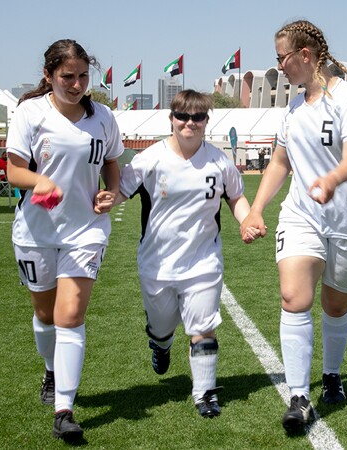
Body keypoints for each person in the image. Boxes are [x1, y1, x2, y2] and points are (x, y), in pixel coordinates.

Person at [240, 20, 347, 433]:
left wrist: (332, 180)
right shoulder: (293, 107)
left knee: (335, 305)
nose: (280, 66)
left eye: (282, 58)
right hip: (301, 215)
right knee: (292, 296)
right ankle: (298, 396)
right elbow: (280, 163)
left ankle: (332, 374)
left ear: (305, 56)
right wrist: (256, 209)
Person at [5, 39, 123, 443]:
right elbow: (14, 171)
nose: (76, 85)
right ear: (48, 76)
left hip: (86, 231)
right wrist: (39, 180)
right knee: (45, 314)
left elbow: (112, 163)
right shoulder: (29, 113)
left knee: (70, 315)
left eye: (83, 77)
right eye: (67, 77)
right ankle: (51, 370)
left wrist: (110, 191)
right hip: (36, 232)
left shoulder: (103, 117)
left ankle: (64, 409)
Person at [118, 89, 256, 419]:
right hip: (157, 264)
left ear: (207, 120)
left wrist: (247, 220)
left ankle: (205, 393)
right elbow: (119, 190)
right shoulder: (149, 159)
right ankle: (160, 344)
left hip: (203, 261)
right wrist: (105, 199)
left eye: (198, 117)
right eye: (182, 116)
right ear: (172, 118)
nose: (189, 123)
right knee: (162, 327)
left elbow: (236, 198)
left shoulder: (219, 161)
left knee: (203, 328)